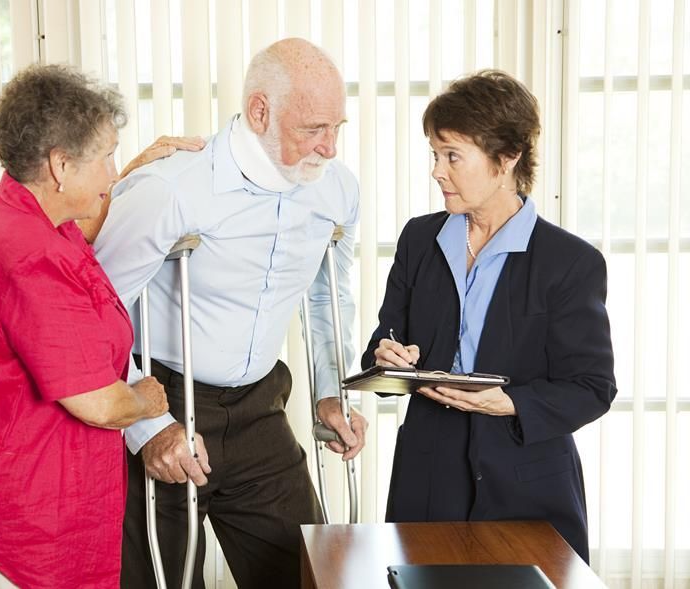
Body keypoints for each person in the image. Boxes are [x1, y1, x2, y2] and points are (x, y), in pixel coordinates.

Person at [0, 64, 203, 588]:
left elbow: (84, 221)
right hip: (4, 530)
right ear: (60, 164)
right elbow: (100, 404)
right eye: (106, 157)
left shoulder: (27, 211)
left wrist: (127, 181)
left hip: (22, 513)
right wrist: (151, 399)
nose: (111, 170)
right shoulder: (25, 252)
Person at [93, 38, 368, 588]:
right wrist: (147, 428)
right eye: (314, 128)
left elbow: (327, 298)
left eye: (337, 126)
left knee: (305, 575)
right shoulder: (171, 188)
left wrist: (332, 390)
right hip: (166, 396)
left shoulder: (336, 190)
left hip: (260, 406)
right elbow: (95, 311)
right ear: (260, 111)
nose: (330, 147)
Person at [362, 70, 616, 563]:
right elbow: (387, 336)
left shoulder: (570, 262)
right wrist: (390, 354)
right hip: (427, 477)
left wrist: (510, 404)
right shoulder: (420, 239)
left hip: (527, 486)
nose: (438, 171)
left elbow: (592, 387)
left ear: (507, 159)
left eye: (452, 155)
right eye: (435, 155)